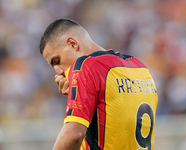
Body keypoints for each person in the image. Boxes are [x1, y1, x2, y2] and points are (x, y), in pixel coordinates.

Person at [39, 18, 158, 150]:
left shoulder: (85, 66)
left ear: (73, 44)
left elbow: (74, 134)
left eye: (57, 61)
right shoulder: (140, 67)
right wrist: (79, 90)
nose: (58, 72)